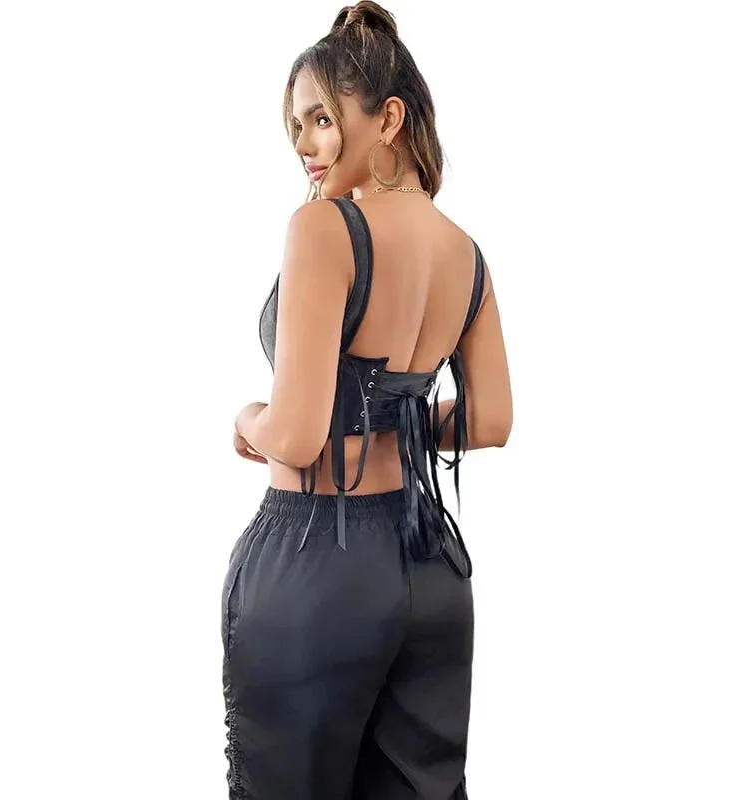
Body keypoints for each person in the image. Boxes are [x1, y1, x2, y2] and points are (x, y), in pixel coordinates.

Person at [222, 2, 512, 797]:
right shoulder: (466, 254)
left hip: (316, 562)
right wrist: (401, 415)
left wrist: (249, 420)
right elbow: (491, 422)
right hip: (432, 570)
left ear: (388, 118)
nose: (306, 145)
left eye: (322, 119)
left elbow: (296, 435)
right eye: (296, 127)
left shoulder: (325, 229)